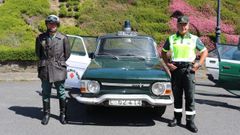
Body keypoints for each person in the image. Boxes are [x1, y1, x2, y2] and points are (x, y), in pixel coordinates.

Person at [161, 15, 208, 133]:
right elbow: (163, 52)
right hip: (176, 70)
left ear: (188, 25)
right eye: (181, 24)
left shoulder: (194, 38)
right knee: (177, 96)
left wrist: (198, 64)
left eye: (185, 24)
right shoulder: (171, 38)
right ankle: (177, 119)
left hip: (189, 70)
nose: (183, 26)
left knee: (190, 97)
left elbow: (204, 51)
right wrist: (168, 64)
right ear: (177, 25)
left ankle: (190, 121)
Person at [35, 15, 71, 125]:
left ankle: (63, 114)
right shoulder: (40, 38)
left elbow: (67, 54)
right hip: (45, 68)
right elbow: (38, 53)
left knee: (61, 92)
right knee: (46, 92)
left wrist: (58, 61)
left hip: (59, 68)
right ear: (47, 25)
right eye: (50, 23)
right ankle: (46, 114)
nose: (52, 25)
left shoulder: (63, 38)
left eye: (54, 24)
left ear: (57, 25)